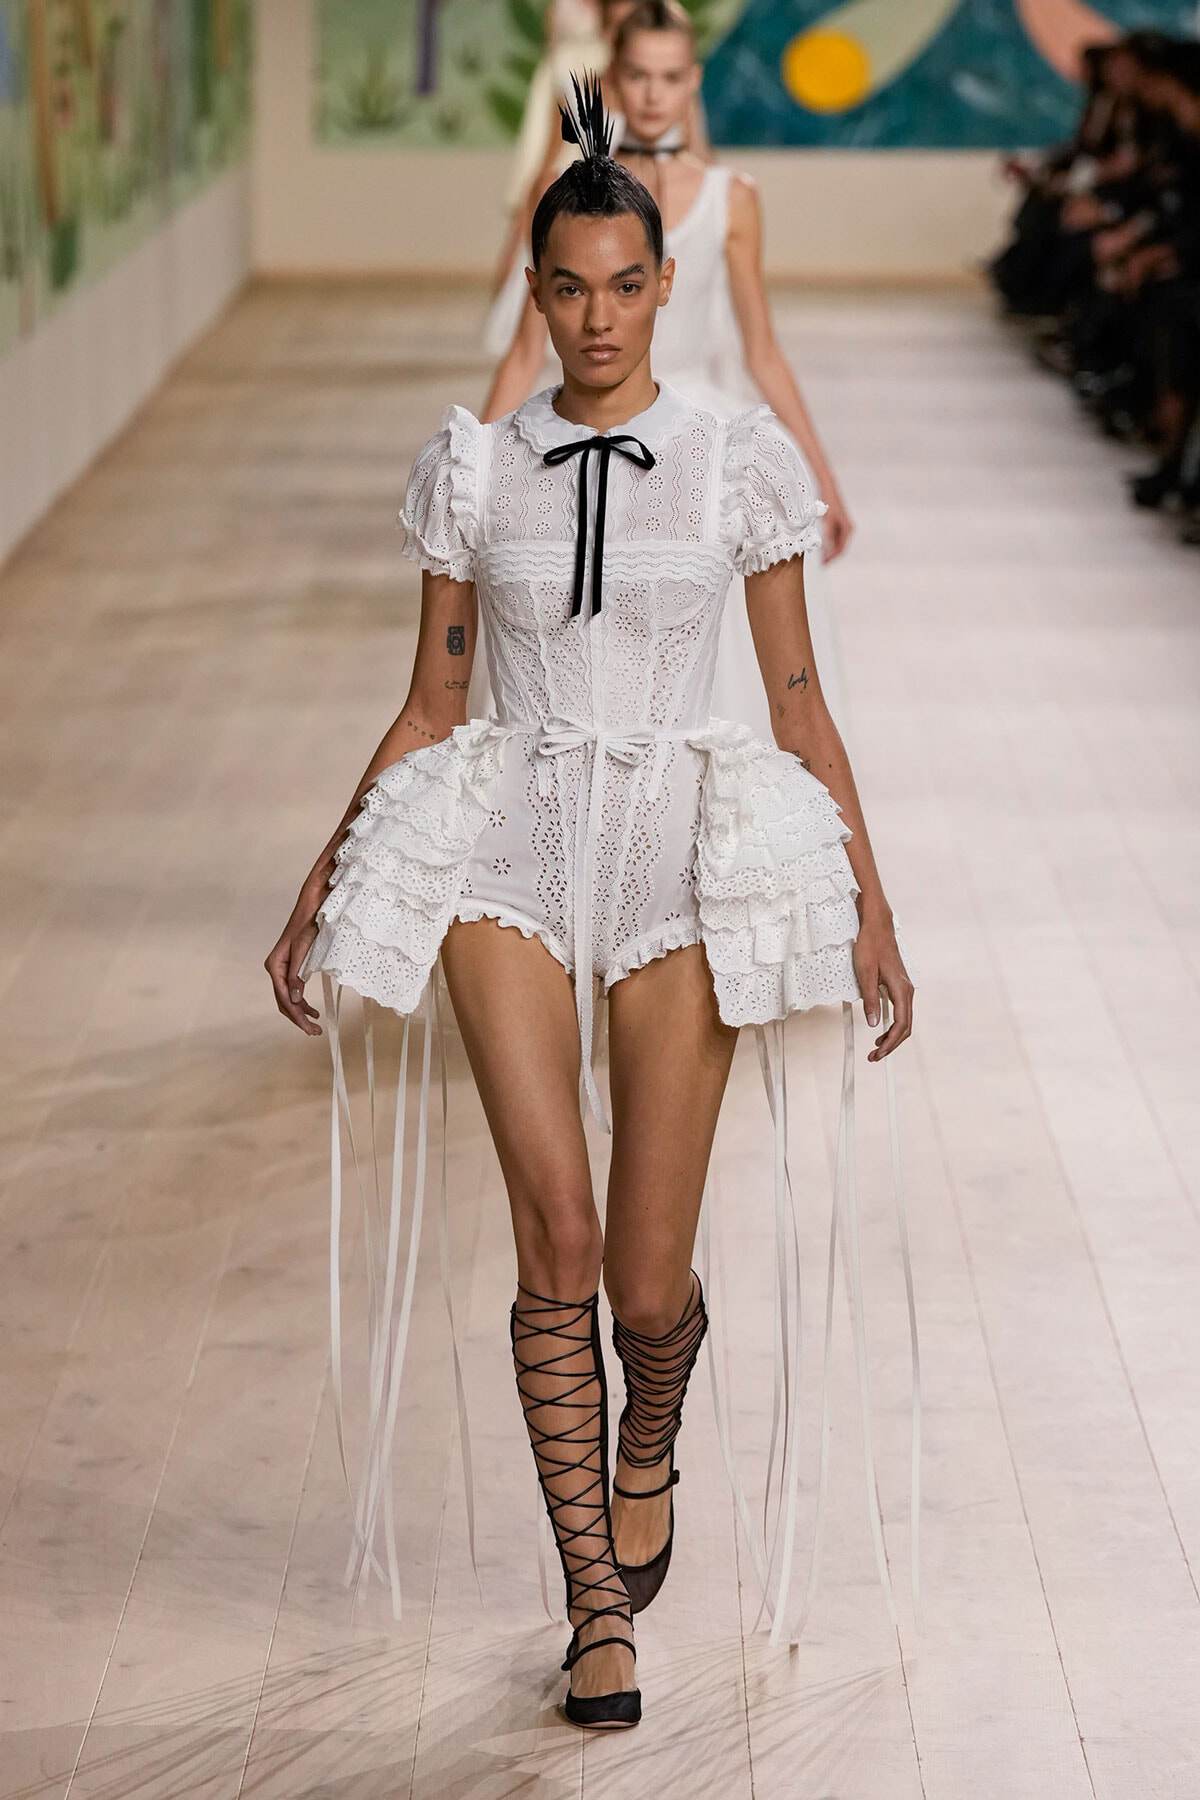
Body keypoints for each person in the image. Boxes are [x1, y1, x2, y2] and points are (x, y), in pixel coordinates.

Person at [266, 78, 912, 1731]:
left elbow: (798, 700)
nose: (600, 316)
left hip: (680, 852)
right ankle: (593, 1607)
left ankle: (651, 1427)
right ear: (536, 291)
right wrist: (326, 874)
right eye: (569, 287)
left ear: (666, 283)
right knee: (553, 1232)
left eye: (627, 285)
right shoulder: (474, 472)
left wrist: (873, 905)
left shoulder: (734, 464)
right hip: (510, 846)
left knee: (641, 1279)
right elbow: (435, 702)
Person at [482, 0, 854, 736]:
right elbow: (526, 351)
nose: (653, 94)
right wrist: (478, 465)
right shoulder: (565, 197)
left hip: (704, 436)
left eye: (670, 76)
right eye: (638, 75)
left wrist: (823, 477)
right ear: (612, 77)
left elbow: (761, 349)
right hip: (589, 426)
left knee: (729, 656)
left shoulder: (730, 197)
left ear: (694, 81)